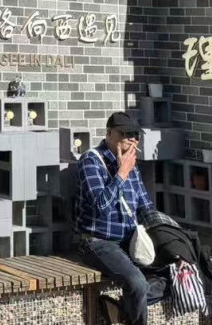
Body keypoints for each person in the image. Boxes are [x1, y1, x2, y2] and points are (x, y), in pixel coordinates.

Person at [74, 112, 167, 325]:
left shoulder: (133, 167)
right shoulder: (91, 161)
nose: (132, 139)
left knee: (172, 273)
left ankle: (121, 309)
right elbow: (100, 208)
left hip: (131, 240)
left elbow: (146, 207)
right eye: (125, 134)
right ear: (109, 134)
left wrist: (170, 242)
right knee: (138, 283)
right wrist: (121, 173)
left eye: (136, 135)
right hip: (98, 242)